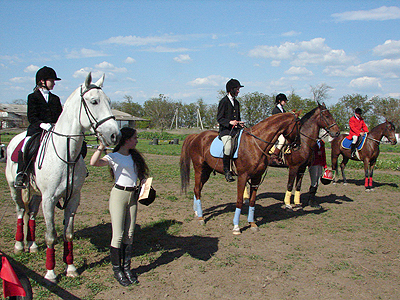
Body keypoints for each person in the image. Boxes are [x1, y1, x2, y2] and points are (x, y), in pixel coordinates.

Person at [90, 127, 149, 286]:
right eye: (135, 138)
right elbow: (94, 162)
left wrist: (143, 181)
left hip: (132, 196)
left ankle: (126, 268)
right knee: (118, 234)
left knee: (129, 234)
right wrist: (101, 147)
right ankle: (117, 270)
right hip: (118, 195)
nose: (137, 140)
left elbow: (139, 174)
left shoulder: (134, 156)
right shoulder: (113, 157)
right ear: (127, 139)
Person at [15, 66, 63, 188]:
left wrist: (56, 125)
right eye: (52, 81)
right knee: (26, 146)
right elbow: (32, 116)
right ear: (42, 81)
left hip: (53, 130)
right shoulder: (33, 97)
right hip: (37, 129)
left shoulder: (55, 99)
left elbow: (60, 116)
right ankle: (22, 173)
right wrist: (43, 124)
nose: (53, 84)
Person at [217, 78, 245, 182]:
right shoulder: (223, 101)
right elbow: (219, 118)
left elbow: (237, 117)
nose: (238, 91)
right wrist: (230, 122)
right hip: (226, 131)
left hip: (236, 130)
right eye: (237, 89)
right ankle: (226, 171)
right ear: (231, 89)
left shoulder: (237, 103)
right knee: (228, 147)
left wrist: (239, 122)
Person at [307, 138, 327, 209]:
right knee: (314, 181)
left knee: (318, 181)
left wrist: (325, 166)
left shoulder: (321, 142)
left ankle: (312, 198)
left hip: (320, 163)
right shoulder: (312, 142)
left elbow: (324, 154)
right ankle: (311, 200)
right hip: (314, 163)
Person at [270, 93, 287, 166]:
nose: (285, 102)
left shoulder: (283, 110)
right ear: (279, 101)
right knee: (282, 140)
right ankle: (275, 156)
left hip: (283, 130)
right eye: (284, 101)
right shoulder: (275, 110)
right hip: (277, 130)